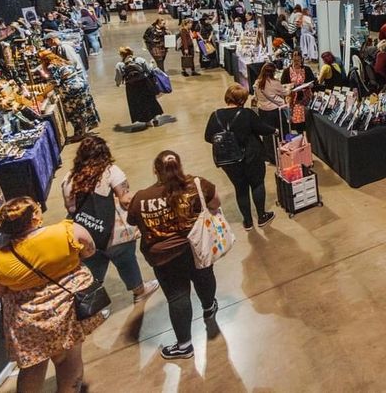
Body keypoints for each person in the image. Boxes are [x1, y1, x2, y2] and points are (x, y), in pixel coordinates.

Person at [0, 197, 106, 392]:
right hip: (67, 312)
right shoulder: (68, 232)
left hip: (28, 325)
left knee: (32, 369)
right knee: (68, 362)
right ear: (35, 217)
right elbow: (89, 251)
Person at [127, 151, 220, 360]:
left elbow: (132, 221)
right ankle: (209, 307)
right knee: (205, 278)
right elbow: (215, 204)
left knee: (178, 296)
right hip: (196, 247)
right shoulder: (197, 185)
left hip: (164, 258)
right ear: (180, 166)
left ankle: (185, 344)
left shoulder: (141, 198)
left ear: (155, 171)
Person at [62, 136, 159, 305]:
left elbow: (70, 208)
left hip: (85, 234)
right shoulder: (111, 172)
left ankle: (92, 303)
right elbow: (125, 200)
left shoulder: (69, 178)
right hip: (114, 234)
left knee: (92, 270)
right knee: (126, 261)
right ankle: (139, 291)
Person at [203, 85, 277, 231]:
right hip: (251, 156)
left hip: (228, 161)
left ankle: (248, 221)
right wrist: (275, 130)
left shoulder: (215, 115)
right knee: (257, 184)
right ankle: (262, 216)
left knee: (240, 188)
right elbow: (262, 128)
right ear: (242, 100)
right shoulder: (247, 114)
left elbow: (208, 137)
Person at [38, 50, 99, 142]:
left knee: (74, 112)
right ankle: (85, 130)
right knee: (84, 108)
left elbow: (54, 82)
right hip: (81, 85)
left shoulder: (52, 66)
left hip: (70, 89)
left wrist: (42, 94)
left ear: (44, 60)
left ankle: (79, 134)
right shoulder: (63, 62)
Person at [115, 47, 163, 127]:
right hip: (144, 83)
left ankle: (147, 121)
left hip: (131, 87)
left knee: (139, 103)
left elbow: (118, 78)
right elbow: (149, 70)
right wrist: (151, 63)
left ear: (121, 55)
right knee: (150, 100)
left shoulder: (120, 65)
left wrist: (117, 83)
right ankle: (155, 118)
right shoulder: (139, 60)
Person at [254, 63, 288, 151]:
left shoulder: (257, 82)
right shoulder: (275, 82)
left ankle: (270, 155)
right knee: (282, 132)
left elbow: (256, 97)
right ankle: (282, 153)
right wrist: (290, 88)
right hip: (274, 111)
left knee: (267, 134)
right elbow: (285, 93)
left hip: (262, 110)